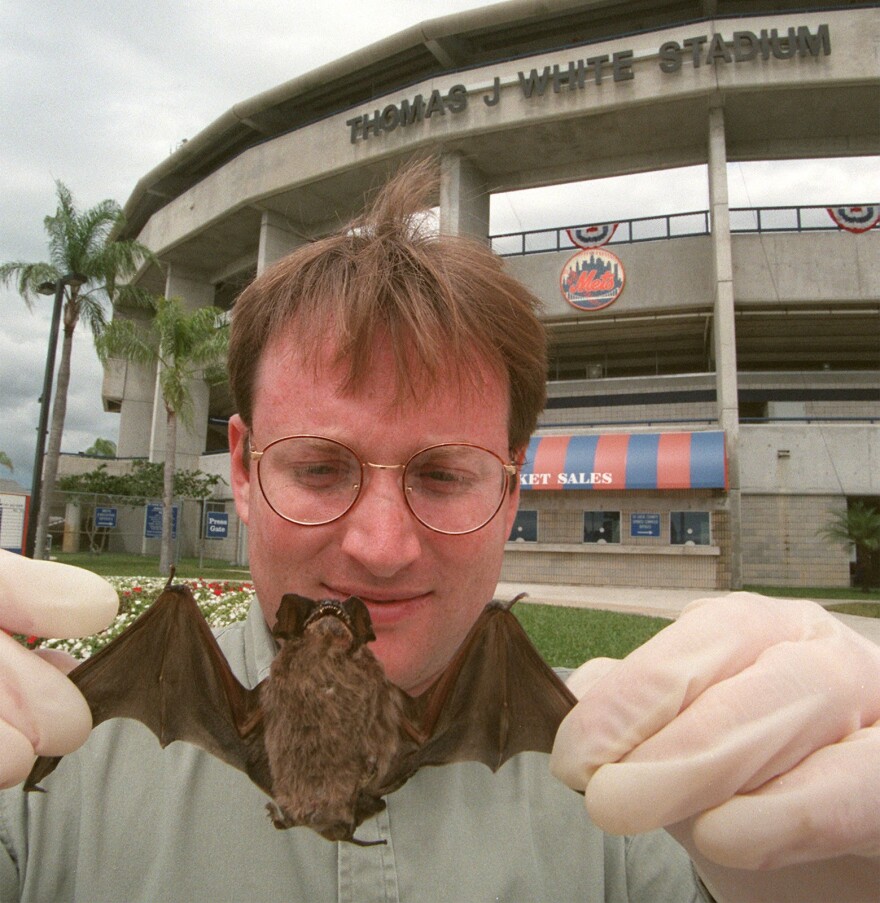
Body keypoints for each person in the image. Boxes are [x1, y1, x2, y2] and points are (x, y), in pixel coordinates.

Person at [1, 160, 878, 902]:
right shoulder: (49, 767)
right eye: (319, 467)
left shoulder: (627, 775)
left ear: (511, 480)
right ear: (242, 462)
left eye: (443, 474)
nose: (381, 547)